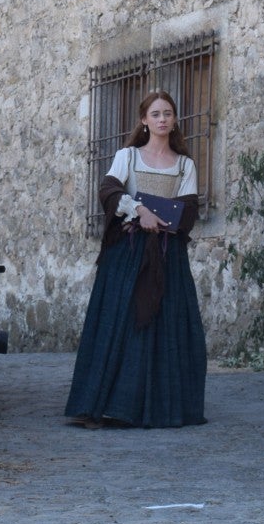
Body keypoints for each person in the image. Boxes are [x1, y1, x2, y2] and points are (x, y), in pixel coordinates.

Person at [65, 90, 206, 429]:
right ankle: (100, 406)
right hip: (126, 255)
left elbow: (189, 209)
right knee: (119, 322)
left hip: (166, 254)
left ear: (174, 121)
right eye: (156, 114)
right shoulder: (127, 157)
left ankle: (157, 407)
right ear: (144, 120)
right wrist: (139, 209)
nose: (162, 119)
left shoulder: (185, 165)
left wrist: (162, 222)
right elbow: (109, 191)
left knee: (166, 325)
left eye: (168, 114)